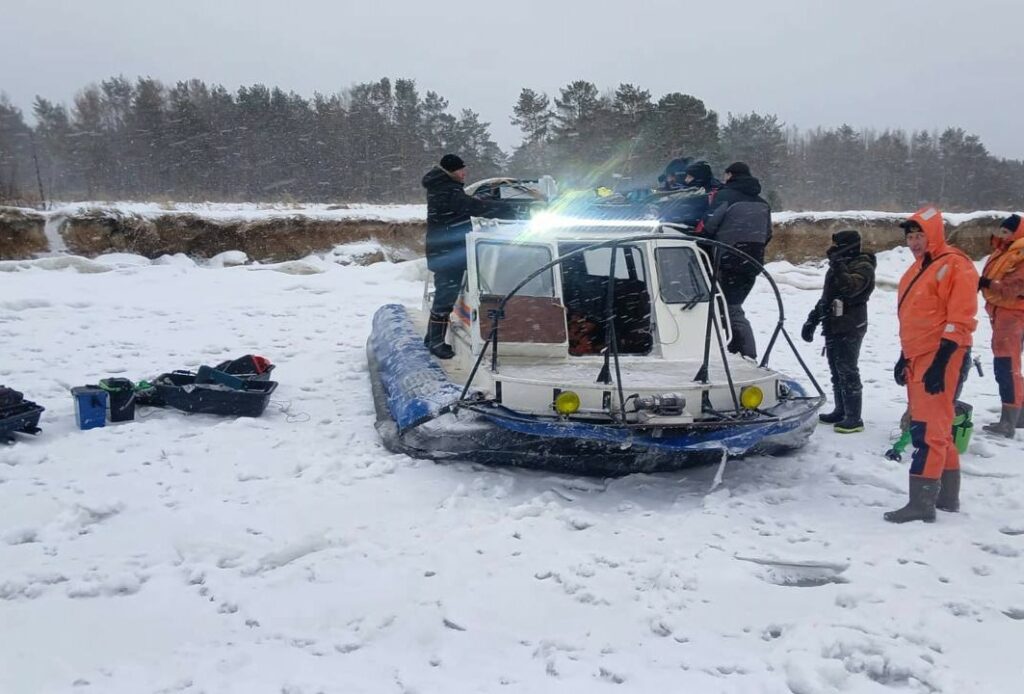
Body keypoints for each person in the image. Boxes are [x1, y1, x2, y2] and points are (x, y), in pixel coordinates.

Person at [885, 206, 978, 523]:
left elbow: (961, 318)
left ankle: (921, 503)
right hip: (918, 355)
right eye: (910, 237)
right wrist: (904, 355)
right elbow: (914, 317)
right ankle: (946, 498)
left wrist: (941, 362)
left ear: (934, 234)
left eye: (919, 235)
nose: (914, 242)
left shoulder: (955, 265)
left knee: (927, 430)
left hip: (941, 355)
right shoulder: (918, 269)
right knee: (939, 429)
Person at [421, 154, 514, 359]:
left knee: (444, 294)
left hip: (444, 250)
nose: (464, 173)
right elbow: (472, 206)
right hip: (447, 253)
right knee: (445, 297)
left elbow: (468, 204)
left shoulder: (442, 187)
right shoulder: (447, 190)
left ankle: (432, 337)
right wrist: (507, 209)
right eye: (461, 170)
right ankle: (436, 342)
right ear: (451, 171)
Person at [801, 229, 876, 433]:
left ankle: (854, 417)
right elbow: (828, 297)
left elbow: (849, 288)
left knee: (848, 370)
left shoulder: (864, 266)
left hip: (850, 325)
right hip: (833, 324)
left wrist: (837, 265)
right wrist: (812, 320)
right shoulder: (839, 265)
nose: (833, 248)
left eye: (837, 245)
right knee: (836, 370)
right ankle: (841, 410)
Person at [701, 161, 773, 359]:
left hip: (726, 259)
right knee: (732, 306)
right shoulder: (762, 203)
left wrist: (707, 242)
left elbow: (709, 224)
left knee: (730, 308)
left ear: (730, 175)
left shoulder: (725, 196)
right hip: (752, 262)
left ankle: (745, 353)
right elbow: (767, 234)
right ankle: (734, 349)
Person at [978, 213, 1024, 437]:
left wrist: (987, 283)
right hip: (1002, 313)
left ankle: (1008, 422)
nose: (1002, 234)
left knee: (1007, 366)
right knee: (1009, 365)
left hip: (1012, 315)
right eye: (1002, 231)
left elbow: (1015, 287)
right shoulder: (1005, 251)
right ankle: (1019, 416)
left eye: (1006, 231)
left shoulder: (1019, 254)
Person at [658, 160, 723, 229]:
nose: (686, 180)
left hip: (698, 228)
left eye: (689, 177)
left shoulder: (710, 192)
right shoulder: (692, 189)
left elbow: (695, 208)